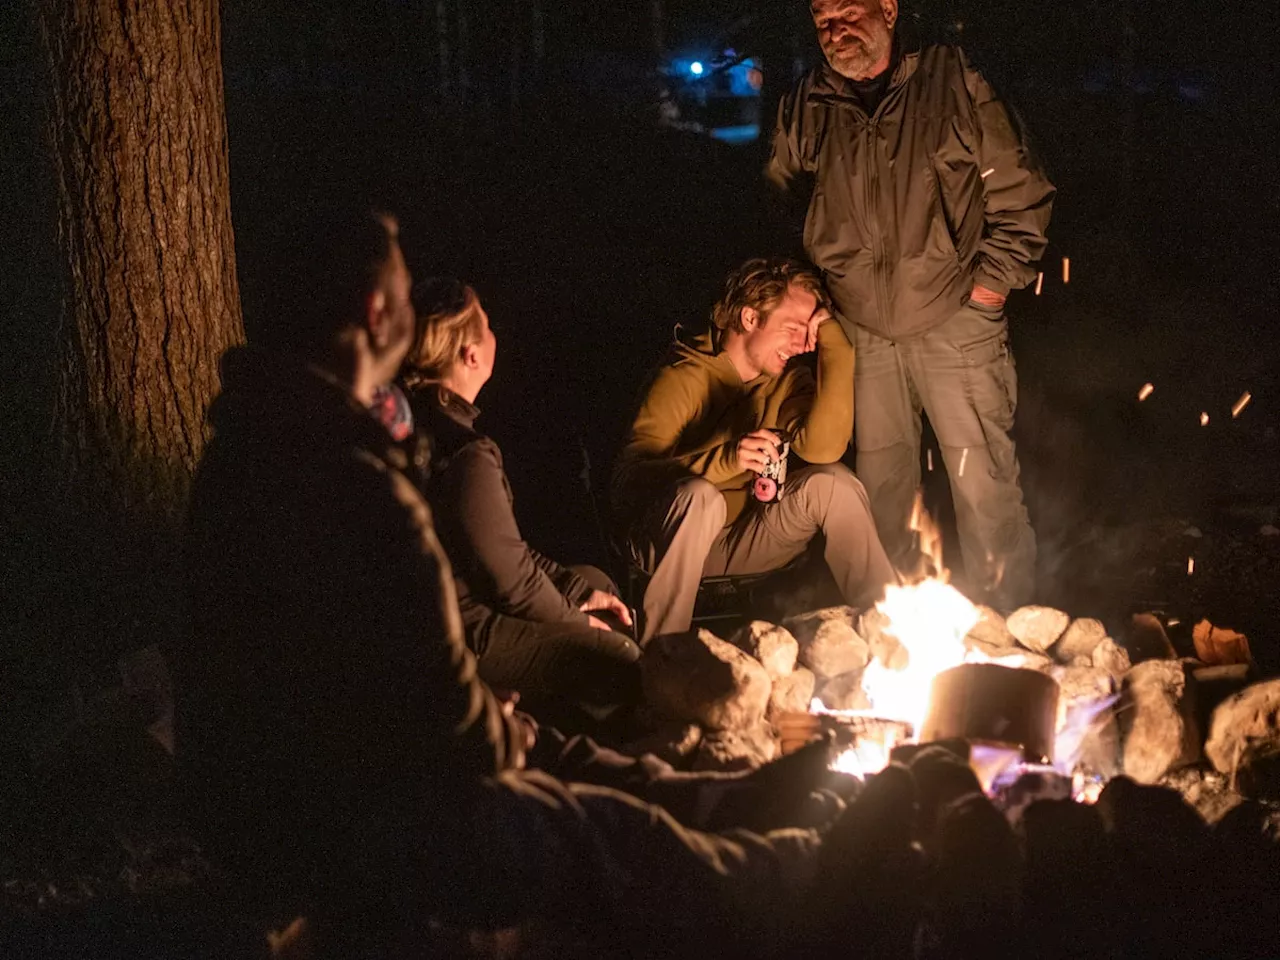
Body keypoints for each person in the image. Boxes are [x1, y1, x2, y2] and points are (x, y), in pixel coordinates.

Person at [177, 203, 864, 955]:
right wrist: (508, 724)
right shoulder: (345, 480)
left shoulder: (266, 443)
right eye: (406, 299)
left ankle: (721, 800)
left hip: (308, 787)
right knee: (584, 827)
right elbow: (437, 708)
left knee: (573, 774)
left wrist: (517, 692)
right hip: (325, 818)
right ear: (380, 315)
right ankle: (808, 875)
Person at [767, 0, 1055, 608]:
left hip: (957, 318)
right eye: (823, 19)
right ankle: (891, 631)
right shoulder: (807, 102)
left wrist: (989, 289)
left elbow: (1021, 191)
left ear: (890, 10)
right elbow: (779, 203)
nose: (836, 31)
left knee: (984, 487)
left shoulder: (954, 81)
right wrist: (817, 294)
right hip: (861, 328)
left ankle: (1008, 632)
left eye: (850, 14)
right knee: (882, 492)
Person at [612, 257, 897, 644]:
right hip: (666, 543)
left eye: (810, 331)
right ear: (749, 319)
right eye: (794, 328)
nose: (803, 344)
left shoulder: (787, 380)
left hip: (743, 540)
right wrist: (727, 460)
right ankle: (663, 658)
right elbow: (628, 484)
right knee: (701, 498)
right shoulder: (684, 375)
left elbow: (824, 447)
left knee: (835, 484)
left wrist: (837, 346)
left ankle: (890, 634)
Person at [399, 278, 640, 718]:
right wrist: (576, 620)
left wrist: (576, 590)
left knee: (596, 582)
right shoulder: (465, 454)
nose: (496, 336)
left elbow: (504, 550)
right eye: (487, 327)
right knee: (619, 655)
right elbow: (511, 583)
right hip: (463, 627)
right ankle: (573, 754)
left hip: (461, 603)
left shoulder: (421, 419)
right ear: (470, 354)